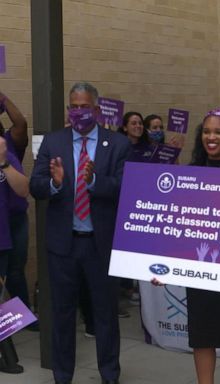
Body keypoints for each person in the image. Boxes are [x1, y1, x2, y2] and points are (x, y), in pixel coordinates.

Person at [30, 81, 131, 384]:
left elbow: (126, 187)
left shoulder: (117, 144)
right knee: (62, 315)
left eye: (84, 107)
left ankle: (109, 375)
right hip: (64, 245)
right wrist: (56, 184)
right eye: (73, 107)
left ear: (97, 110)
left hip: (100, 244)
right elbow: (36, 185)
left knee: (105, 315)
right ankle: (63, 376)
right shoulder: (53, 142)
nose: (78, 112)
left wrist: (95, 181)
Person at [152, 107, 220, 383]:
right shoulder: (191, 175)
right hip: (200, 268)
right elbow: (179, 227)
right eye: (207, 131)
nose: (212, 137)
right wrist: (166, 268)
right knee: (202, 336)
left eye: (219, 132)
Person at [0, 93, 33, 318]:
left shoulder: (8, 149)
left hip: (14, 220)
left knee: (14, 271)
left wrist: (2, 98)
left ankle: (22, 317)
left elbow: (21, 123)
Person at [0, 134, 29, 374]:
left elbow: (23, 190)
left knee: (3, 293)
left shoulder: (6, 155)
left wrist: (3, 162)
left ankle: (7, 355)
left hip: (2, 237)